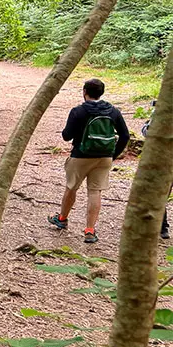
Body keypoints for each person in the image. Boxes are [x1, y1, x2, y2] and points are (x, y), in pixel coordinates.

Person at [48, 78, 130, 244]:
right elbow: (125, 135)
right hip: (104, 157)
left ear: (84, 91)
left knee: (71, 187)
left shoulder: (78, 111)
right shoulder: (113, 111)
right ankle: (90, 230)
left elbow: (66, 136)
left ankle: (62, 218)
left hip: (80, 155)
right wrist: (113, 154)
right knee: (95, 192)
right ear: (102, 93)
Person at [140, 103, 170, 239]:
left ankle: (162, 227)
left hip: (164, 161)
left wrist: (147, 124)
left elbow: (148, 132)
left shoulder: (162, 115)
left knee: (159, 194)